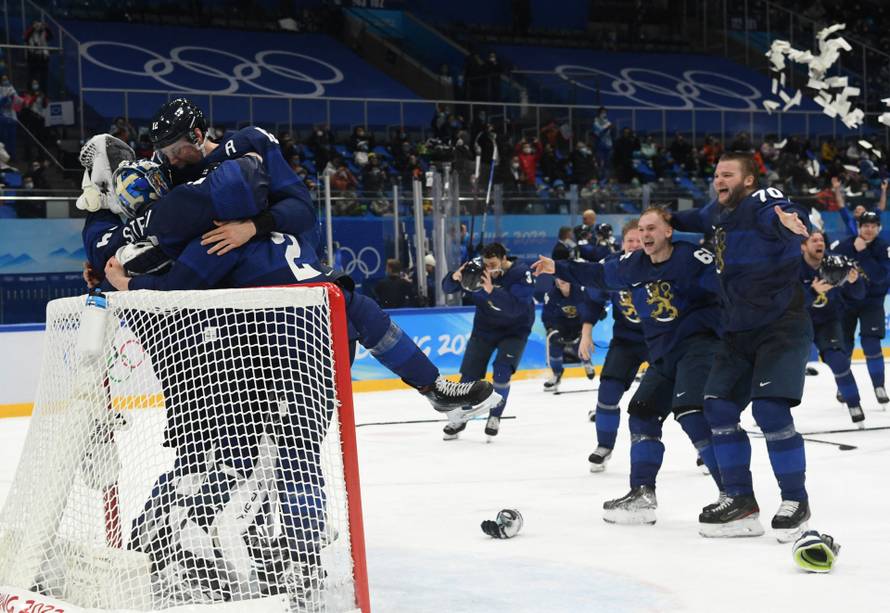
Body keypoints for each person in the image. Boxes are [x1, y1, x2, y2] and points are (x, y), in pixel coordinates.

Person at [532, 208, 724, 525]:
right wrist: (558, 267)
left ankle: (734, 495)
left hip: (699, 345)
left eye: (652, 229)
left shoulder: (693, 258)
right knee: (643, 410)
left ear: (668, 232)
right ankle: (642, 494)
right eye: (641, 230)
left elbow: (730, 287)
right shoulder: (633, 264)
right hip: (662, 352)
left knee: (690, 411)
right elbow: (597, 275)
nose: (646, 235)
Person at [670, 151, 814, 542]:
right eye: (716, 174)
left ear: (748, 181)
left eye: (727, 174)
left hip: (780, 325)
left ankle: (795, 500)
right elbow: (692, 218)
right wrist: (663, 219)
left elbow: (780, 213)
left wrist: (788, 223)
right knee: (717, 407)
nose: (719, 180)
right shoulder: (717, 212)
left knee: (769, 410)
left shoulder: (762, 201)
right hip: (737, 332)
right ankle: (740, 500)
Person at [441, 243, 535, 439]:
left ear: (503, 259)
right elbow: (447, 288)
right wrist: (454, 278)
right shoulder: (478, 269)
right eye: (486, 264)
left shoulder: (521, 273)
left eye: (493, 264)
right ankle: (460, 417)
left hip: (515, 330)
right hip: (484, 329)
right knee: (468, 377)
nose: (489, 269)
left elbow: (516, 309)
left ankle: (495, 416)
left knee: (502, 370)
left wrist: (492, 291)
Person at [581, 219, 647, 471]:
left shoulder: (663, 263)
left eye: (639, 241)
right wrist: (586, 333)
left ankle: (703, 448)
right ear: (623, 243)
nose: (634, 245)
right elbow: (593, 301)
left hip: (662, 339)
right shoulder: (611, 266)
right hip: (626, 340)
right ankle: (604, 446)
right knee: (607, 391)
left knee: (684, 398)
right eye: (629, 241)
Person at [800, 231, 866, 425]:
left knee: (838, 359)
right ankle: (772, 413)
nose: (819, 243)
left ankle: (854, 403)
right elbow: (785, 301)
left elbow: (859, 295)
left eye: (821, 240)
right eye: (814, 240)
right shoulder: (792, 266)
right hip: (798, 322)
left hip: (828, 321)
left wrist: (855, 282)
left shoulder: (837, 263)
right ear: (803, 246)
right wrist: (812, 291)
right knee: (780, 366)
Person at [833, 210, 890, 406]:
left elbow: (881, 276)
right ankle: (844, 387)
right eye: (866, 225)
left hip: (872, 303)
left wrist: (863, 253)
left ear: (879, 228)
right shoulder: (844, 246)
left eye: (873, 226)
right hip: (846, 304)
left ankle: (879, 386)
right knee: (845, 347)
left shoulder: (884, 248)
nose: (869, 229)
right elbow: (832, 273)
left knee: (871, 343)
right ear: (859, 227)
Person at [541, 277, 595, 393]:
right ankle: (556, 374)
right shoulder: (550, 295)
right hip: (561, 325)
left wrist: (593, 316)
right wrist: (551, 329)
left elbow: (590, 306)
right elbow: (547, 314)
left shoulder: (581, 290)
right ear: (556, 281)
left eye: (564, 276)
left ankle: (587, 362)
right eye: (559, 277)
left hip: (579, 323)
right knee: (554, 345)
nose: (562, 280)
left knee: (581, 344)